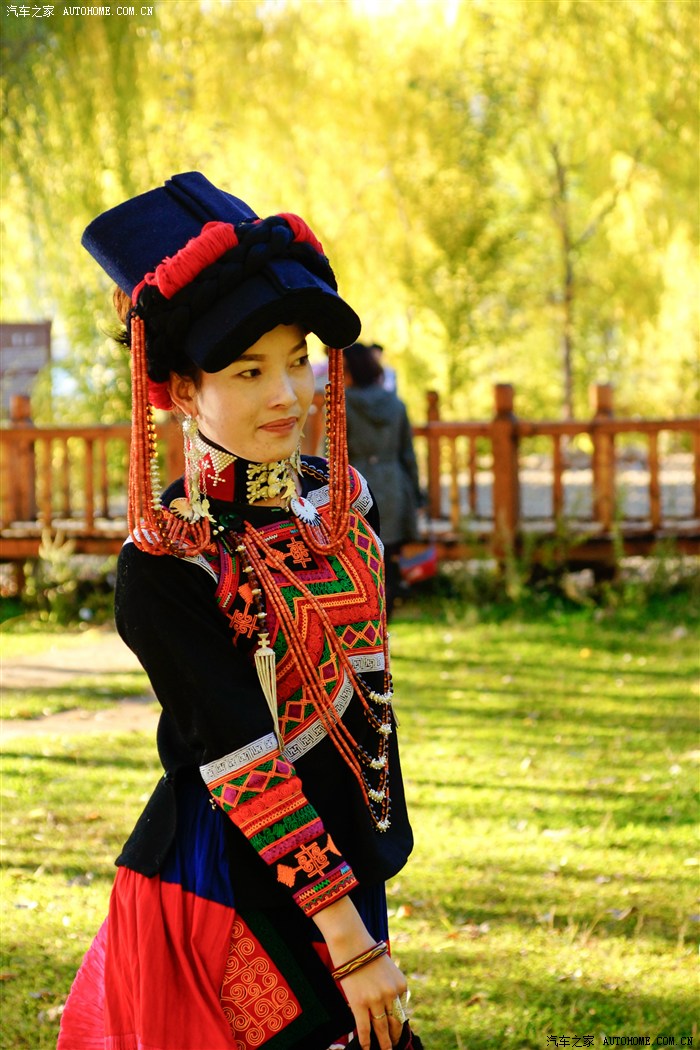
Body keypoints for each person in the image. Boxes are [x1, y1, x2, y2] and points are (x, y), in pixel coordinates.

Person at [57, 172, 421, 1050]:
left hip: (344, 863)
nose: (287, 394)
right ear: (182, 391)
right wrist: (347, 939)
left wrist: (355, 906)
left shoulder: (344, 502)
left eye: (298, 358)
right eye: (249, 370)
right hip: (225, 886)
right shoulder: (169, 562)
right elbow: (239, 758)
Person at [342, 343, 421, 619]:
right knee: (389, 555)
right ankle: (387, 611)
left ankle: (369, 617)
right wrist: (418, 496)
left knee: (362, 556)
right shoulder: (396, 404)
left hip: (358, 486)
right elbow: (407, 454)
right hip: (394, 485)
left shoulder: (343, 404)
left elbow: (332, 452)